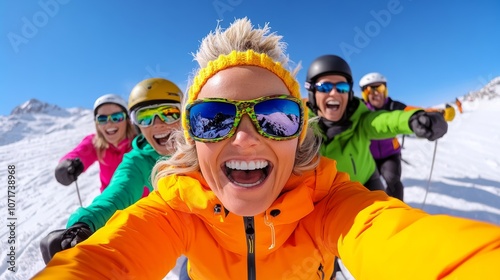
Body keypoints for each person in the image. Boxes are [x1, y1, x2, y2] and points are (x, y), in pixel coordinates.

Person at [33, 18, 500, 280]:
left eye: (275, 116)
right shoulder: (180, 207)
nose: (246, 137)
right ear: (191, 138)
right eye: (214, 119)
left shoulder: (328, 200)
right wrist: (84, 232)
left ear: (300, 130)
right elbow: (111, 255)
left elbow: (412, 246)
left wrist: (420, 121)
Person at [39, 77, 183, 264]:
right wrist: (83, 223)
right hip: (122, 209)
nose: (157, 123)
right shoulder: (136, 158)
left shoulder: (198, 145)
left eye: (169, 113)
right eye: (145, 117)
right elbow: (119, 190)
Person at [304, 57, 448, 193]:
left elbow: (385, 121)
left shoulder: (361, 116)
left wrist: (415, 119)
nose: (334, 92)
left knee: (392, 181)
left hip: (368, 177)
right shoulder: (302, 127)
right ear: (312, 93)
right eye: (324, 87)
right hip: (332, 193)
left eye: (342, 87)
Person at [359, 72, 455, 200]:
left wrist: (437, 115)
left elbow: (415, 112)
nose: (376, 93)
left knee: (393, 181)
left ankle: (399, 212)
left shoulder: (394, 106)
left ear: (385, 90)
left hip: (390, 153)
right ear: (365, 94)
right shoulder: (360, 109)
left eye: (380, 88)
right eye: (371, 89)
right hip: (368, 156)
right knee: (368, 187)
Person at [54, 94, 136, 193]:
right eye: (102, 119)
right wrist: (68, 164)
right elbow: (80, 152)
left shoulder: (140, 143)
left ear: (127, 120)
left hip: (144, 204)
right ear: (97, 123)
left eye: (116, 117)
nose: (109, 123)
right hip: (111, 204)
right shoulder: (96, 143)